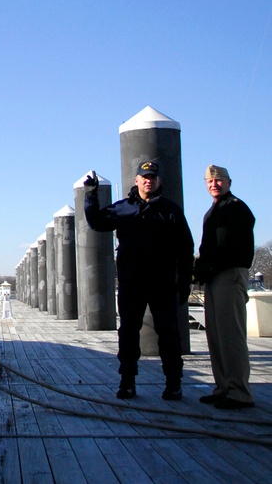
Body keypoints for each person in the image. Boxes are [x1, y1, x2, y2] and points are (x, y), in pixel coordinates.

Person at [83, 161, 194, 400]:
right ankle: (127, 382)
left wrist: (185, 280)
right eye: (144, 177)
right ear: (136, 180)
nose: (148, 181)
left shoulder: (171, 210)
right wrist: (91, 196)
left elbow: (186, 247)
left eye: (153, 177)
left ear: (158, 181)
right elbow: (97, 222)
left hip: (162, 283)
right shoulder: (123, 209)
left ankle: (174, 382)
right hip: (131, 282)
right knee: (128, 332)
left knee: (168, 332)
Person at [193, 165, 256, 410]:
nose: (214, 185)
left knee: (231, 335)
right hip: (214, 277)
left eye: (219, 181)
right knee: (216, 335)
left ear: (229, 182)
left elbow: (236, 247)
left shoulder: (237, 208)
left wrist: (211, 264)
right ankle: (223, 387)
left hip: (229, 275)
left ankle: (239, 392)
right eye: (210, 181)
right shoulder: (214, 211)